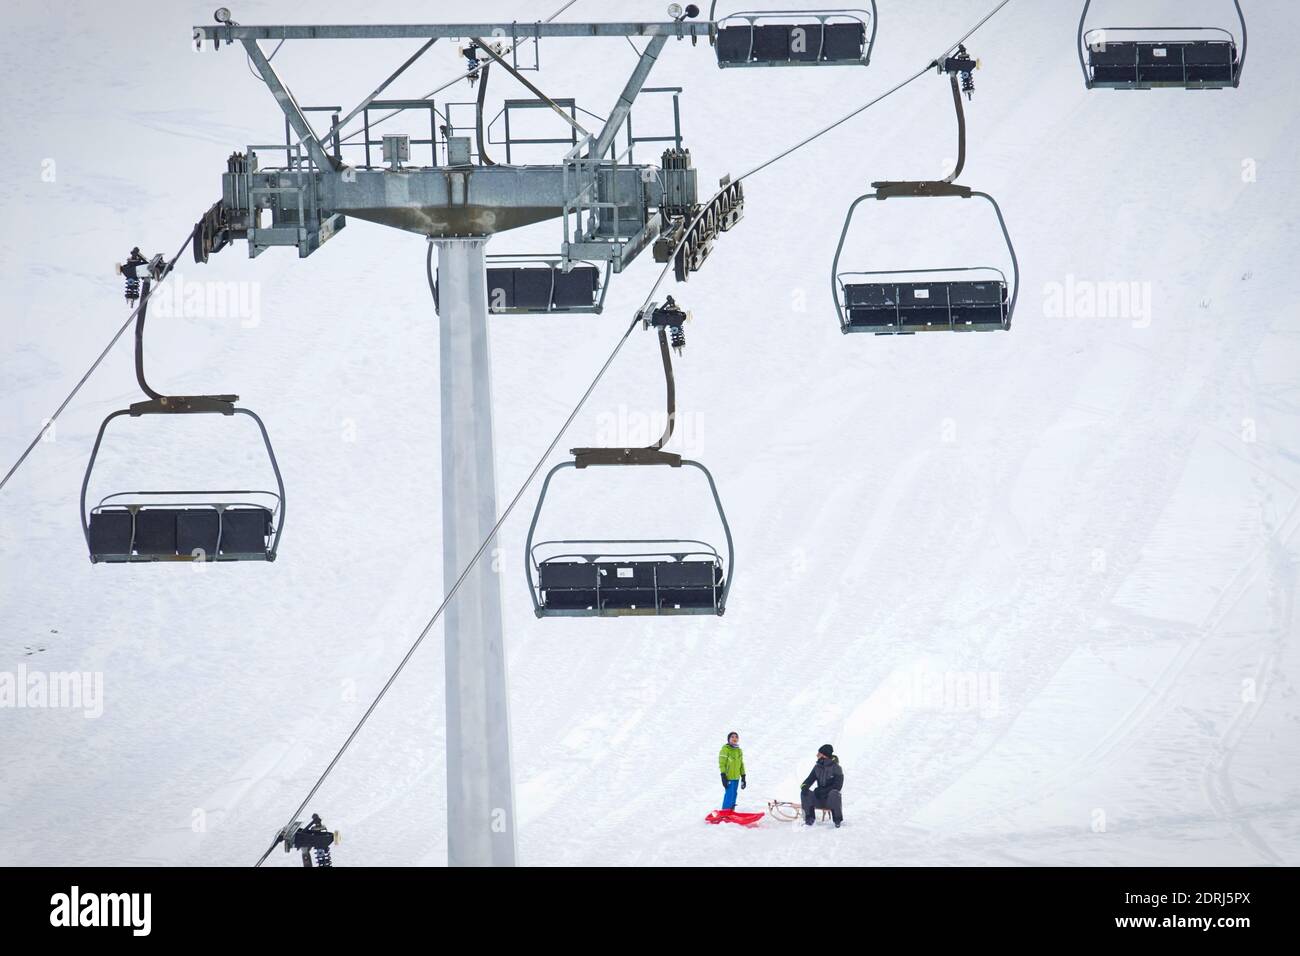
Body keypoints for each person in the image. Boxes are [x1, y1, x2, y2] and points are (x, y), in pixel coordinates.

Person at [800, 744, 843, 827]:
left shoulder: (837, 768)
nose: (817, 755)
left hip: (830, 801)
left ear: (824, 755)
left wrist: (822, 791)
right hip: (819, 799)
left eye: (819, 753)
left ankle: (837, 820)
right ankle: (809, 820)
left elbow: (838, 786)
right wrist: (804, 787)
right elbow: (809, 780)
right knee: (805, 792)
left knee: (835, 793)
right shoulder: (817, 767)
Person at [718, 731, 747, 810]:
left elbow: (741, 764)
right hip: (728, 777)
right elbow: (722, 763)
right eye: (732, 737)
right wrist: (723, 775)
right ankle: (725, 811)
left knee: (734, 793)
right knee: (729, 794)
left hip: (736, 777)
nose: (734, 738)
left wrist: (743, 777)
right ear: (728, 739)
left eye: (736, 737)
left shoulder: (739, 751)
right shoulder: (725, 749)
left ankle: (731, 810)